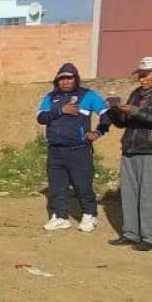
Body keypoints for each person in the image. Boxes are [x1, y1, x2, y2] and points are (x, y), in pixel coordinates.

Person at [102, 56, 152, 252]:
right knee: (129, 194)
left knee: (149, 195)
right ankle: (130, 233)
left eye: (146, 75)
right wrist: (114, 111)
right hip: (131, 148)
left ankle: (148, 237)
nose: (141, 79)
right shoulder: (136, 93)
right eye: (140, 75)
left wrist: (136, 111)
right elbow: (124, 122)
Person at [36, 63, 109, 232]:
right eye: (62, 78)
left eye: (69, 78)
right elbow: (41, 117)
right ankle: (60, 217)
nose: (65, 82)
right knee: (56, 186)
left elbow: (106, 114)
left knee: (82, 184)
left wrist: (99, 132)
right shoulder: (51, 97)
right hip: (55, 149)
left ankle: (89, 215)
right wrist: (61, 110)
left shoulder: (88, 96)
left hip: (79, 149)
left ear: (76, 79)